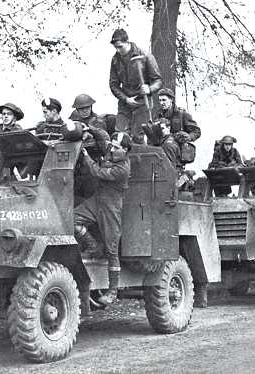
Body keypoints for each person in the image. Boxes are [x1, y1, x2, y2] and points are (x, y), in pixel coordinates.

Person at [73, 132, 132, 305]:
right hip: (97, 200)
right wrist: (88, 128)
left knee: (112, 249)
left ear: (126, 150)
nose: (111, 149)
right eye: (112, 146)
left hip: (111, 206)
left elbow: (97, 172)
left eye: (116, 147)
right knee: (72, 220)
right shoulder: (112, 152)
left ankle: (113, 291)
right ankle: (93, 246)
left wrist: (85, 156)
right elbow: (101, 137)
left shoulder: (123, 168)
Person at [109, 28, 162, 144]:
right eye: (116, 48)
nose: (118, 50)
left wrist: (149, 88)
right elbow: (113, 84)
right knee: (120, 136)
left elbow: (157, 80)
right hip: (125, 102)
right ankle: (122, 162)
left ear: (127, 42)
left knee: (138, 137)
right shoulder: (115, 60)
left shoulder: (145, 55)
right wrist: (126, 99)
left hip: (142, 102)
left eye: (120, 47)